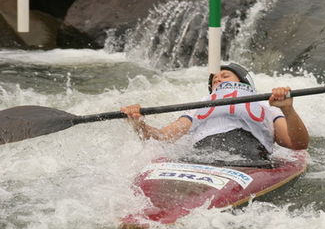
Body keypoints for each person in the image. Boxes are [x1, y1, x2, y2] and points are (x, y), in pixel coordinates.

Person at [121, 63, 309, 160]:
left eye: (225, 76)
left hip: (251, 155)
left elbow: (298, 143)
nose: (218, 79)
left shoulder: (267, 105)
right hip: (202, 155)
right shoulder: (201, 106)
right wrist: (139, 124)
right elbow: (162, 137)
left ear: (244, 82)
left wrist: (288, 109)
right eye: (214, 80)